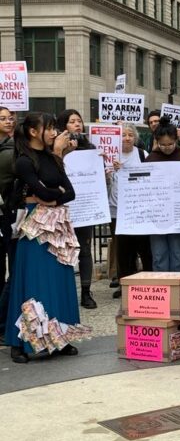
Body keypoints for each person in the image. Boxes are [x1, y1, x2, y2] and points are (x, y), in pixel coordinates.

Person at [4, 113, 79, 363]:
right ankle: (20, 342)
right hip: (35, 226)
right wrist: (49, 195)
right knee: (32, 282)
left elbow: (70, 192)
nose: (53, 132)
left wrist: (51, 198)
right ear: (34, 132)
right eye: (49, 128)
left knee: (60, 279)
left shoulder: (53, 159)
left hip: (57, 224)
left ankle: (60, 337)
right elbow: (42, 190)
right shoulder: (24, 161)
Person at [55, 109, 99, 309]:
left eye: (79, 121)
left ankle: (86, 292)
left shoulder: (90, 148)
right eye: (72, 122)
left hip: (85, 207)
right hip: (64, 206)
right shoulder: (55, 148)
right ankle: (64, 292)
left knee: (85, 250)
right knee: (62, 250)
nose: (77, 125)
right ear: (64, 126)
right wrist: (64, 153)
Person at [109, 123, 152, 298]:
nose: (127, 138)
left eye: (130, 135)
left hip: (138, 210)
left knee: (144, 247)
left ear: (135, 137)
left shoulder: (143, 155)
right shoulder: (110, 155)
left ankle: (148, 282)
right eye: (123, 135)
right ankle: (125, 284)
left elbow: (151, 177)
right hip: (117, 210)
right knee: (123, 251)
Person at [145, 116, 180, 272]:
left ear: (176, 139)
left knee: (178, 254)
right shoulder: (150, 159)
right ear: (156, 141)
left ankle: (178, 289)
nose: (167, 147)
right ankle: (162, 287)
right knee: (159, 255)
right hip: (156, 214)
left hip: (178, 213)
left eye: (170, 144)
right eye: (163, 145)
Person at [0, 107, 16, 339]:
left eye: (11, 118)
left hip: (8, 215)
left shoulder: (14, 149)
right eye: (2, 118)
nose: (8, 121)